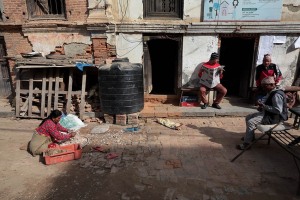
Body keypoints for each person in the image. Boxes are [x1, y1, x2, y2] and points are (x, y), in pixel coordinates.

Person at [236, 76, 288, 150]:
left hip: (275, 118)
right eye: (263, 86)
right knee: (248, 117)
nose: (263, 88)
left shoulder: (276, 95)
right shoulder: (270, 92)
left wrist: (264, 106)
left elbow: (277, 110)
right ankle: (251, 137)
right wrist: (261, 104)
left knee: (251, 122)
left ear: (272, 85)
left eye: (265, 86)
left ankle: (247, 144)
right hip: (268, 114)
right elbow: (265, 100)